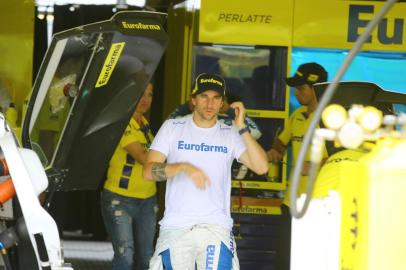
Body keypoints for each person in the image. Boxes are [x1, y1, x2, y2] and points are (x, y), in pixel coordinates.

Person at [143, 73, 269, 269]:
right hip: (177, 227)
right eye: (204, 96)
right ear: (193, 100)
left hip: (216, 228)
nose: (210, 104)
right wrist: (183, 167)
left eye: (216, 98)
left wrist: (242, 127)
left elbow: (262, 167)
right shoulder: (172, 127)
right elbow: (148, 171)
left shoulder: (231, 133)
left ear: (222, 104)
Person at [266, 62, 329, 270]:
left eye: (301, 88)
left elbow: (343, 160)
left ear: (317, 88)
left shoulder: (332, 120)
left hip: (318, 205)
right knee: (284, 260)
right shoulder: (297, 115)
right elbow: (281, 143)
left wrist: (317, 167)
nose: (295, 92)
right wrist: (275, 151)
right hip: (290, 203)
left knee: (313, 261)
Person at [101, 82, 157, 270]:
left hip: (148, 199)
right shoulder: (123, 123)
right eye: (141, 94)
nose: (145, 100)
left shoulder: (146, 124)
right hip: (119, 198)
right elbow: (142, 157)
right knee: (125, 256)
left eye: (149, 95)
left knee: (147, 257)